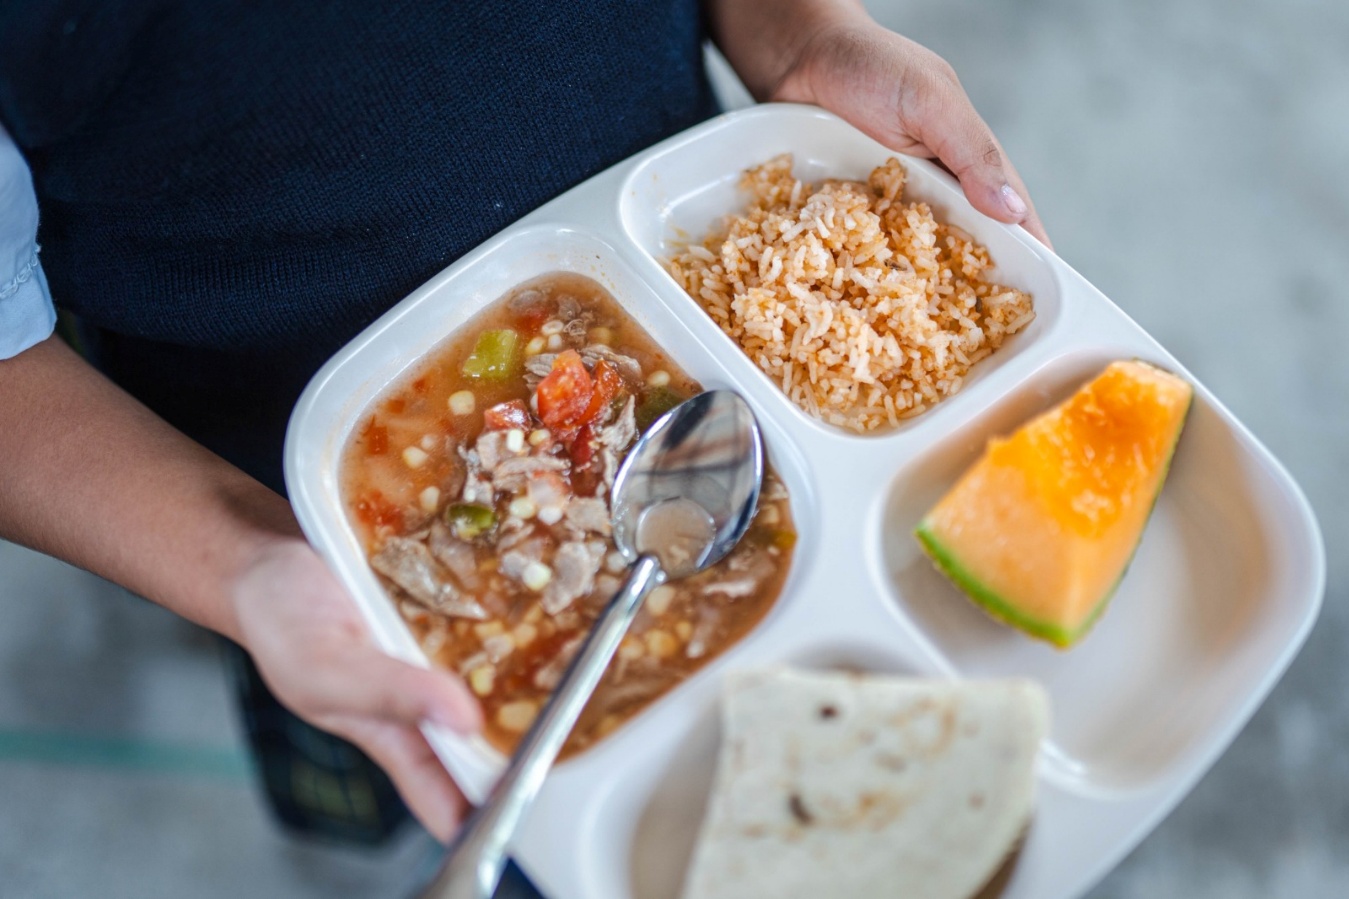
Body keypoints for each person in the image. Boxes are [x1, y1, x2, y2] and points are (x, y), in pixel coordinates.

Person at [0, 0, 1048, 848]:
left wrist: (799, 29)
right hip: (261, 464)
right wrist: (241, 561)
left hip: (661, 229)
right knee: (375, 760)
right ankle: (352, 842)